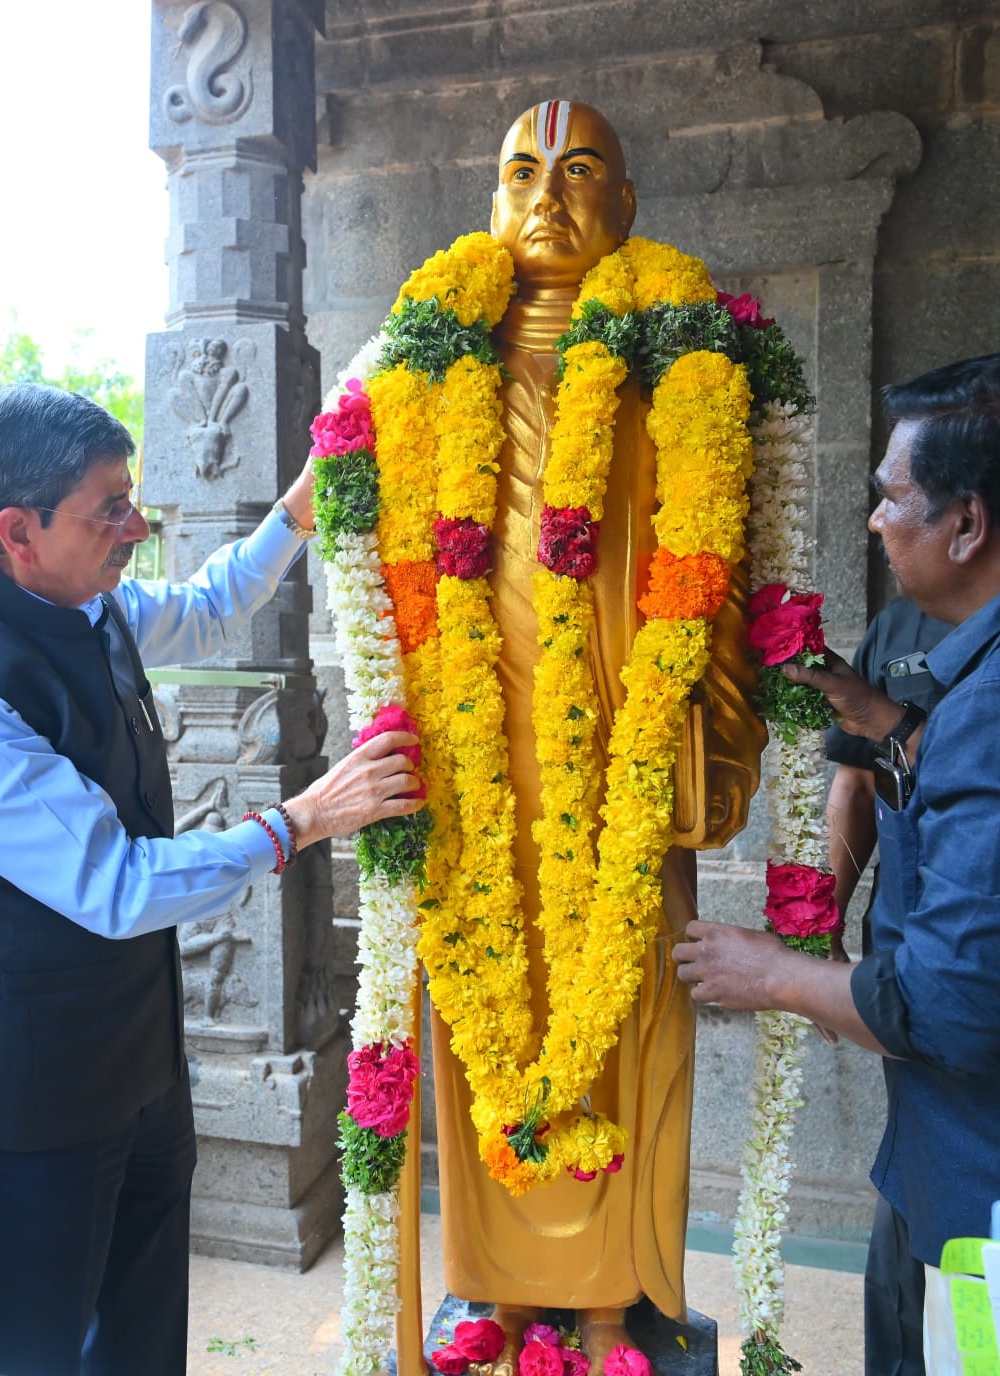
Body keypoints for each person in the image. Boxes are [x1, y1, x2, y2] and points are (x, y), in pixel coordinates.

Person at [0, 384, 422, 1376]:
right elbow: (114, 884)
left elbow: (209, 607)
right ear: (16, 531)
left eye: (131, 496)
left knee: (143, 1337)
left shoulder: (90, 603)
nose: (136, 525)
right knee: (36, 1353)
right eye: (107, 509)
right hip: (32, 1094)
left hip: (142, 1063)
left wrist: (300, 503)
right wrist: (305, 817)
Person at [671, 344, 1000, 1375]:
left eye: (891, 497)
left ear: (965, 523)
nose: (875, 521)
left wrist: (770, 971)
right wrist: (883, 724)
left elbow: (952, 1006)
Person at [424, 101, 765, 1373]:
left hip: (619, 748)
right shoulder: (434, 374)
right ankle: (496, 1291)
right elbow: (394, 570)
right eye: (519, 171)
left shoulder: (676, 370)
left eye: (577, 173)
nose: (545, 197)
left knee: (621, 1009)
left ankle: (618, 1296)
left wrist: (705, 724)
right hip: (478, 753)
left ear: (623, 205)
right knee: (485, 1001)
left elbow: (713, 569)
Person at [824, 598, 950, 938]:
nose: (882, 541)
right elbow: (860, 778)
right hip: (901, 911)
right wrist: (826, 924)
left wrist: (900, 726)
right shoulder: (897, 623)